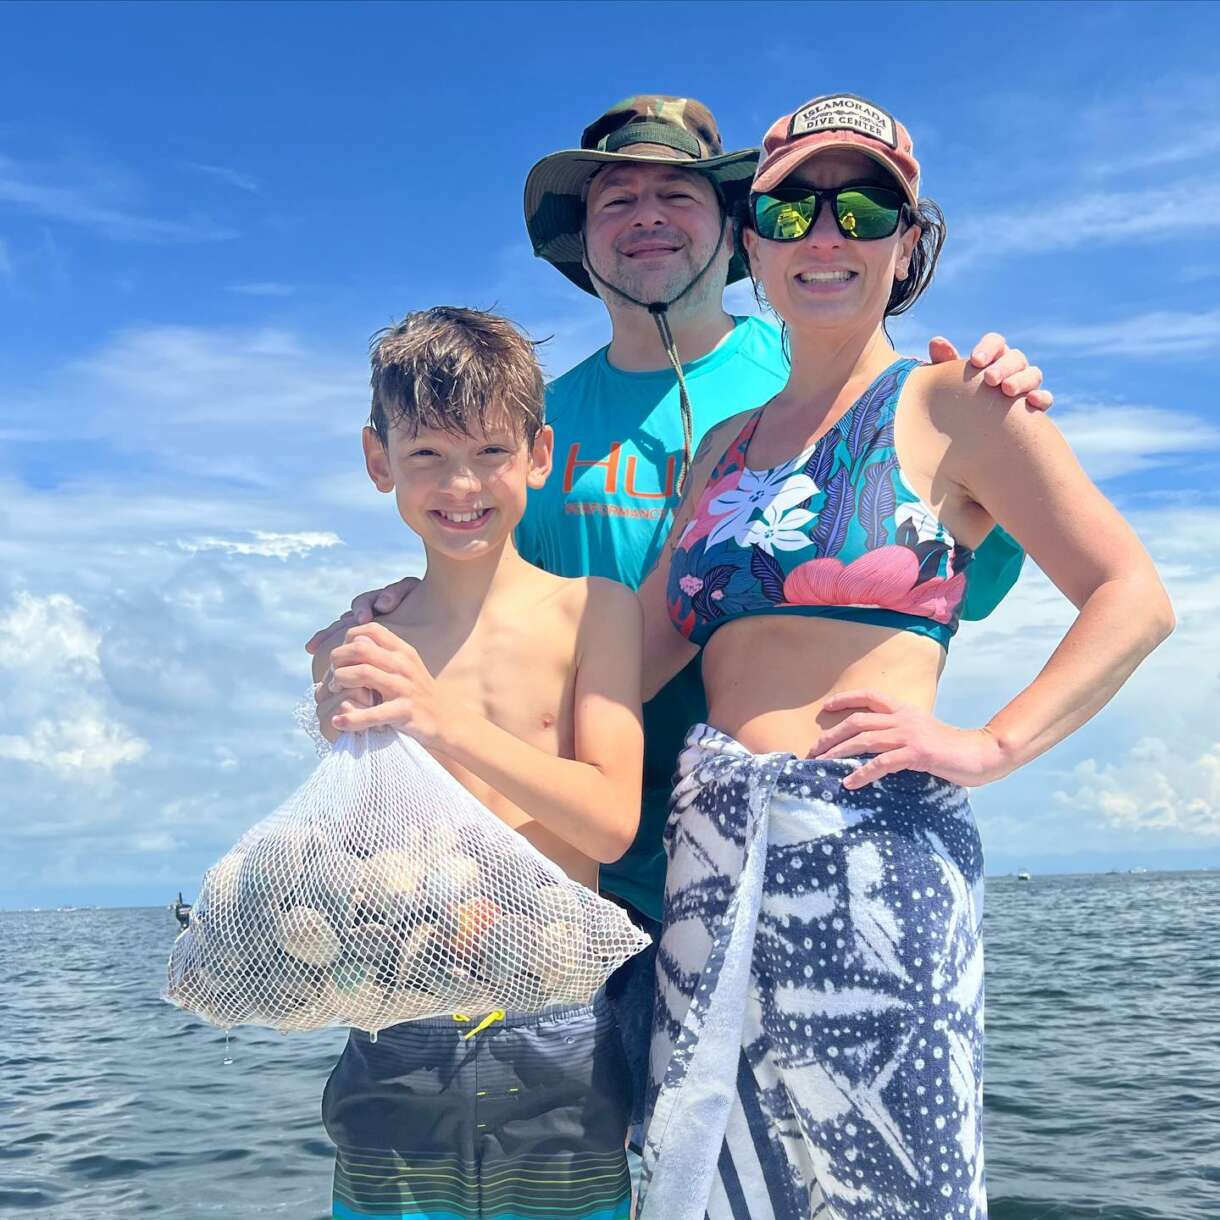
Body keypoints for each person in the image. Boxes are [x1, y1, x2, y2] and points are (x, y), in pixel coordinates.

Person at [306, 96, 1051, 1152]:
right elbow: (483, 584)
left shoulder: (816, 381)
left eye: (676, 192)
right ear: (582, 238)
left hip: (781, 861)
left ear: (736, 229)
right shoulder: (526, 423)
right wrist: (383, 617)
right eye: (617, 196)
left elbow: (956, 586)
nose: (646, 214)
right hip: (557, 881)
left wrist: (992, 421)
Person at [632, 94, 1174, 1220]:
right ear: (750, 243)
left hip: (876, 852)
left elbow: (1130, 597)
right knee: (705, 1182)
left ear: (907, 242)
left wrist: (986, 743)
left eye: (863, 206)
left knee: (895, 1185)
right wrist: (432, 623)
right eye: (789, 211)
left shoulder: (957, 402)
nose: (823, 236)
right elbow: (618, 662)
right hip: (711, 857)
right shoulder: (715, 454)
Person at [310, 306, 646, 1220]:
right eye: (426, 456)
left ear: (540, 455)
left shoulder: (596, 611)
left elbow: (613, 819)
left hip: (560, 1034)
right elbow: (345, 848)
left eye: (491, 452)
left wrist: (443, 720)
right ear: (379, 461)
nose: (462, 483)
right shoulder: (361, 639)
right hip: (398, 1029)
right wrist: (329, 703)